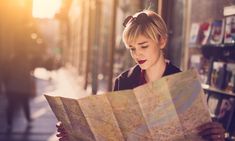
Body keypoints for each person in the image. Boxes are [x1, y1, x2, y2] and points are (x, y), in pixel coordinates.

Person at [56, 10, 225, 141]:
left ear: (161, 41)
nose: (137, 54)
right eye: (132, 48)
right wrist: (75, 134)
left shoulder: (184, 83)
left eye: (143, 46)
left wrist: (216, 135)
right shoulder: (123, 81)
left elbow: (201, 133)